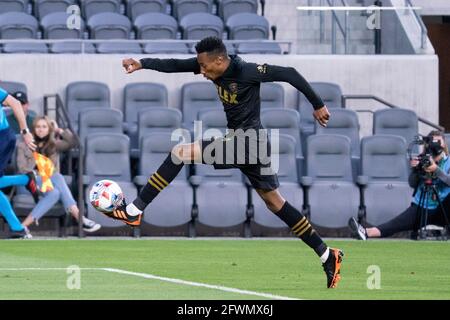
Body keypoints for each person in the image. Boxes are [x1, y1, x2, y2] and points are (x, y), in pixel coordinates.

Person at [103, 37, 343, 288]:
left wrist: (317, 104)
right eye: (200, 67)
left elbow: (290, 73)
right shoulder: (210, 65)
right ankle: (327, 254)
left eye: (206, 67)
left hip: (249, 142)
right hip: (251, 145)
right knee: (275, 203)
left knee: (180, 153)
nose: (203, 72)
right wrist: (141, 63)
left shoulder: (247, 71)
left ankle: (135, 210)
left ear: (220, 60)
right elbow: (174, 64)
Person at [349, 130, 450, 240]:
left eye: (438, 141)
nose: (435, 145)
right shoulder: (422, 160)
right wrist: (416, 170)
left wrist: (436, 169)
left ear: (444, 143)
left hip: (444, 207)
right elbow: (412, 183)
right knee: (397, 223)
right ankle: (366, 232)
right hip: (423, 206)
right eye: (433, 141)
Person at [16, 116, 101, 237]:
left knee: (55, 193)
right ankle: (79, 217)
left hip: (47, 184)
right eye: (38, 127)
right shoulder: (23, 145)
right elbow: (22, 169)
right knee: (57, 177)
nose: (41, 129)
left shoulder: (53, 145)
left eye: (44, 127)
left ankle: (22, 227)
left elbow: (74, 142)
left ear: (49, 129)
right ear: (34, 129)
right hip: (28, 182)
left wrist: (59, 130)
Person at [0, 86, 41, 238]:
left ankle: (17, 228)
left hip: (2, 138)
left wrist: (25, 132)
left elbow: (16, 103)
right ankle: (25, 179)